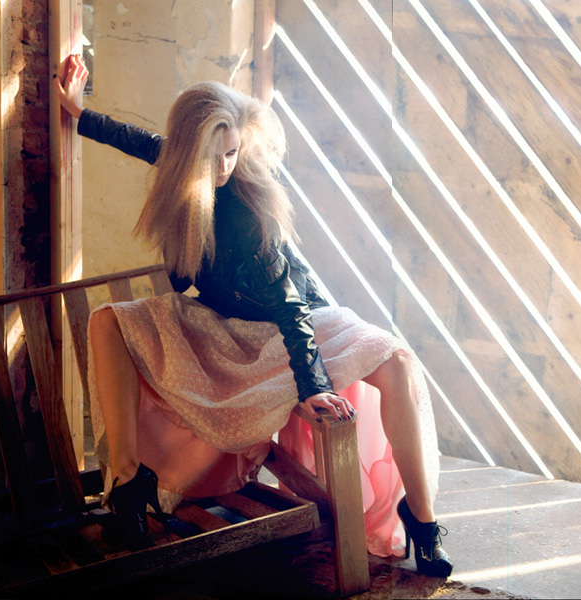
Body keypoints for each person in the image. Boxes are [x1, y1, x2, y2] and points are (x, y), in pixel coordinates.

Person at [54, 54, 452, 577]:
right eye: (212, 156)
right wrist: (79, 114)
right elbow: (137, 140)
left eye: (232, 154)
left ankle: (422, 519)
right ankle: (128, 485)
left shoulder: (246, 215)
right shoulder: (180, 165)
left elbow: (290, 307)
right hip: (225, 324)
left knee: (394, 361)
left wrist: (312, 387)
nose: (224, 168)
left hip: (291, 328)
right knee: (108, 320)